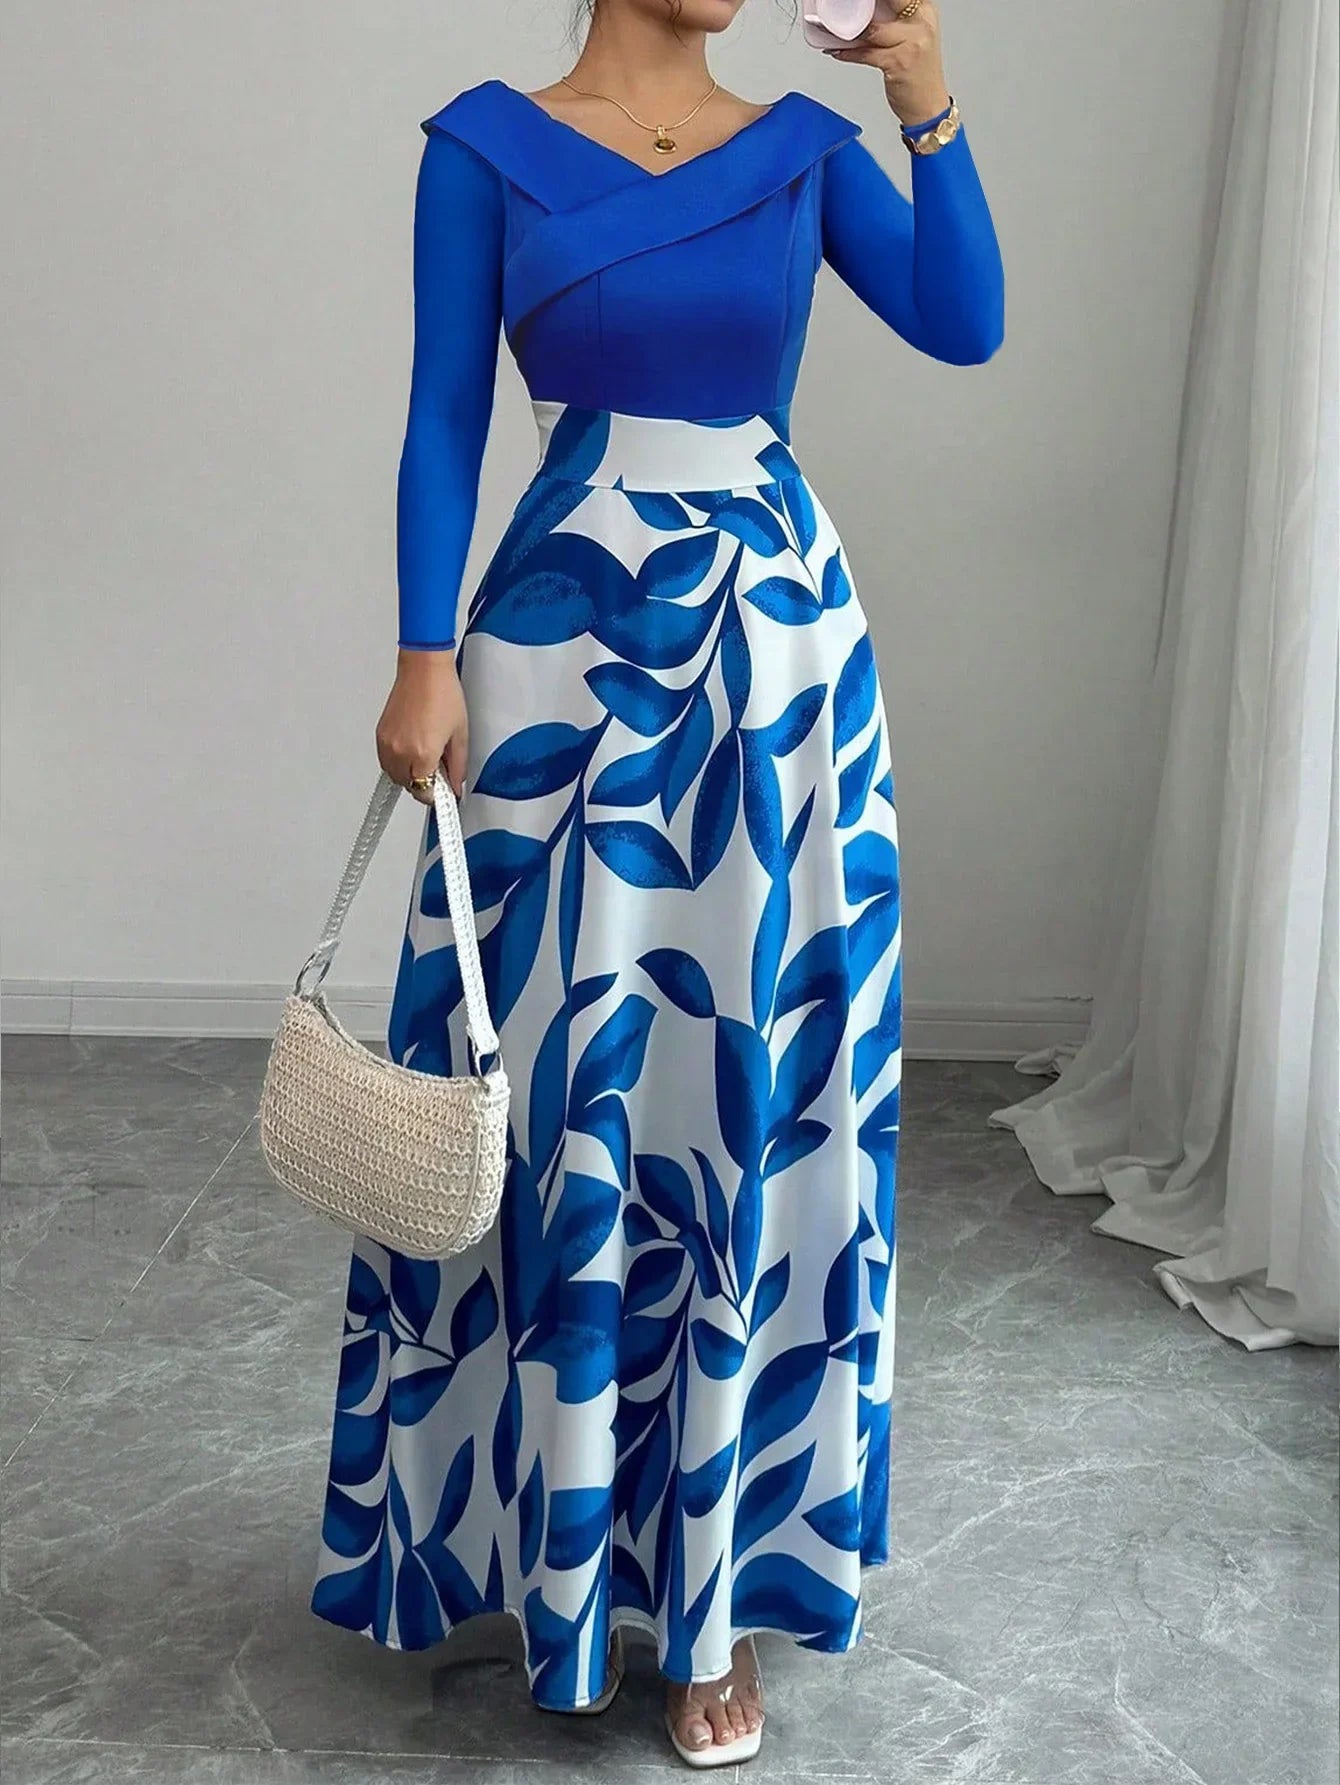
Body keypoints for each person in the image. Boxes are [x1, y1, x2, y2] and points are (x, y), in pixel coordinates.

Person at [311, 0, 1003, 1767]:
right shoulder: (484, 147)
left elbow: (964, 319)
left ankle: (714, 1600)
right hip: (560, 654)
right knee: (559, 1098)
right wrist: (420, 652)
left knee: (737, 1092)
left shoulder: (803, 152)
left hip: (775, 659)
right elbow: (443, 411)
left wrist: (925, 102)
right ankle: (542, 1561)